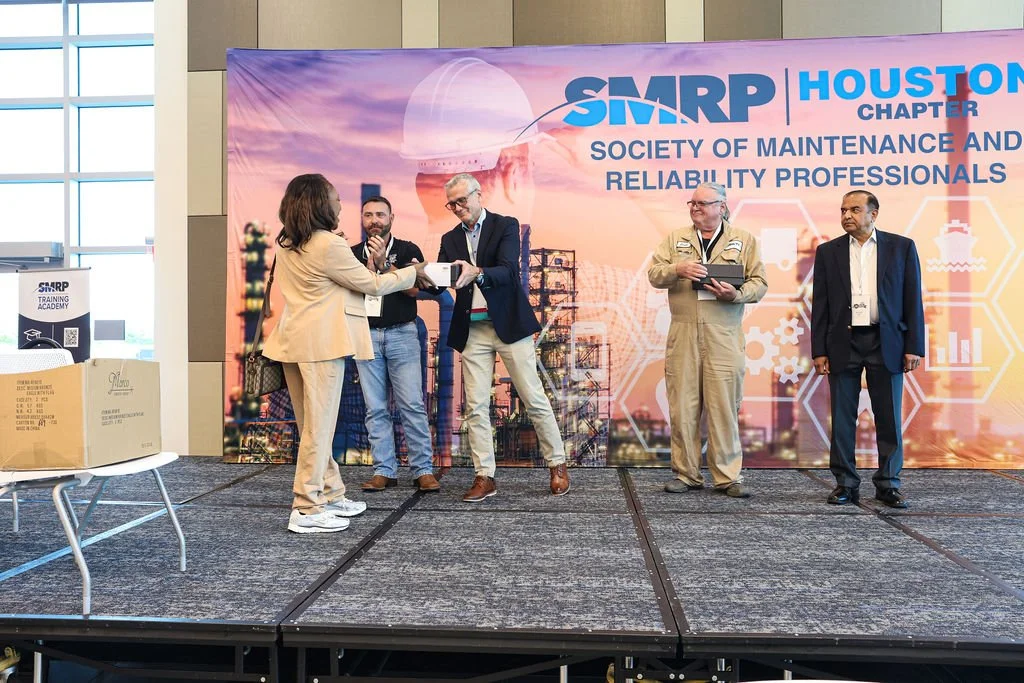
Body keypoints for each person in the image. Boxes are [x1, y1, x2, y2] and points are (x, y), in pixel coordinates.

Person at [262, 174, 427, 533]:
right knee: (318, 430)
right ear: (320, 203)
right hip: (321, 346)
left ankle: (331, 493)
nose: (340, 205)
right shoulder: (328, 245)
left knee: (312, 428)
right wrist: (412, 272)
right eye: (335, 198)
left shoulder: (289, 242)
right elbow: (372, 284)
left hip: (293, 342)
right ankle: (306, 508)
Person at [437, 172, 570, 501]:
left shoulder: (505, 225)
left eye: (461, 201)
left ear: (478, 194)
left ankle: (557, 465)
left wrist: (476, 272)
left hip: (508, 325)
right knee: (477, 407)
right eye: (450, 203)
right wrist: (424, 274)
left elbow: (509, 270)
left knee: (533, 398)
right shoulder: (450, 238)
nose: (456, 208)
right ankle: (485, 476)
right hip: (473, 330)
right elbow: (442, 278)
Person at [648, 182, 767, 498]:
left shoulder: (744, 240)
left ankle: (728, 477)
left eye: (703, 203)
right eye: (692, 203)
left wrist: (737, 294)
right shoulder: (676, 239)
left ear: (722, 207)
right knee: (683, 406)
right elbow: (654, 274)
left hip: (723, 335)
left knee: (724, 406)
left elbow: (760, 282)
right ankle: (686, 474)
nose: (695, 208)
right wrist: (677, 268)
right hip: (684, 332)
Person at [811, 190, 924, 509]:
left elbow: (913, 300)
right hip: (842, 343)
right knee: (843, 419)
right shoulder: (828, 252)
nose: (847, 215)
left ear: (873, 214)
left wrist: (913, 345)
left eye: (855, 209)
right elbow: (820, 305)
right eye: (843, 210)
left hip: (886, 341)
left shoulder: (901, 247)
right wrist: (819, 350)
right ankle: (845, 483)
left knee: (888, 417)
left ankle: (888, 484)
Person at [351, 196, 439, 493]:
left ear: (392, 218)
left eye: (380, 214)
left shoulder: (408, 250)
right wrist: (368, 266)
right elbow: (352, 292)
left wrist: (384, 265)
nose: (374, 220)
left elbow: (414, 289)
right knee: (375, 408)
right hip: (366, 335)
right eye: (368, 215)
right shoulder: (349, 254)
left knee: (412, 404)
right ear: (361, 220)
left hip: (402, 333)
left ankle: (423, 470)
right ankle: (384, 470)